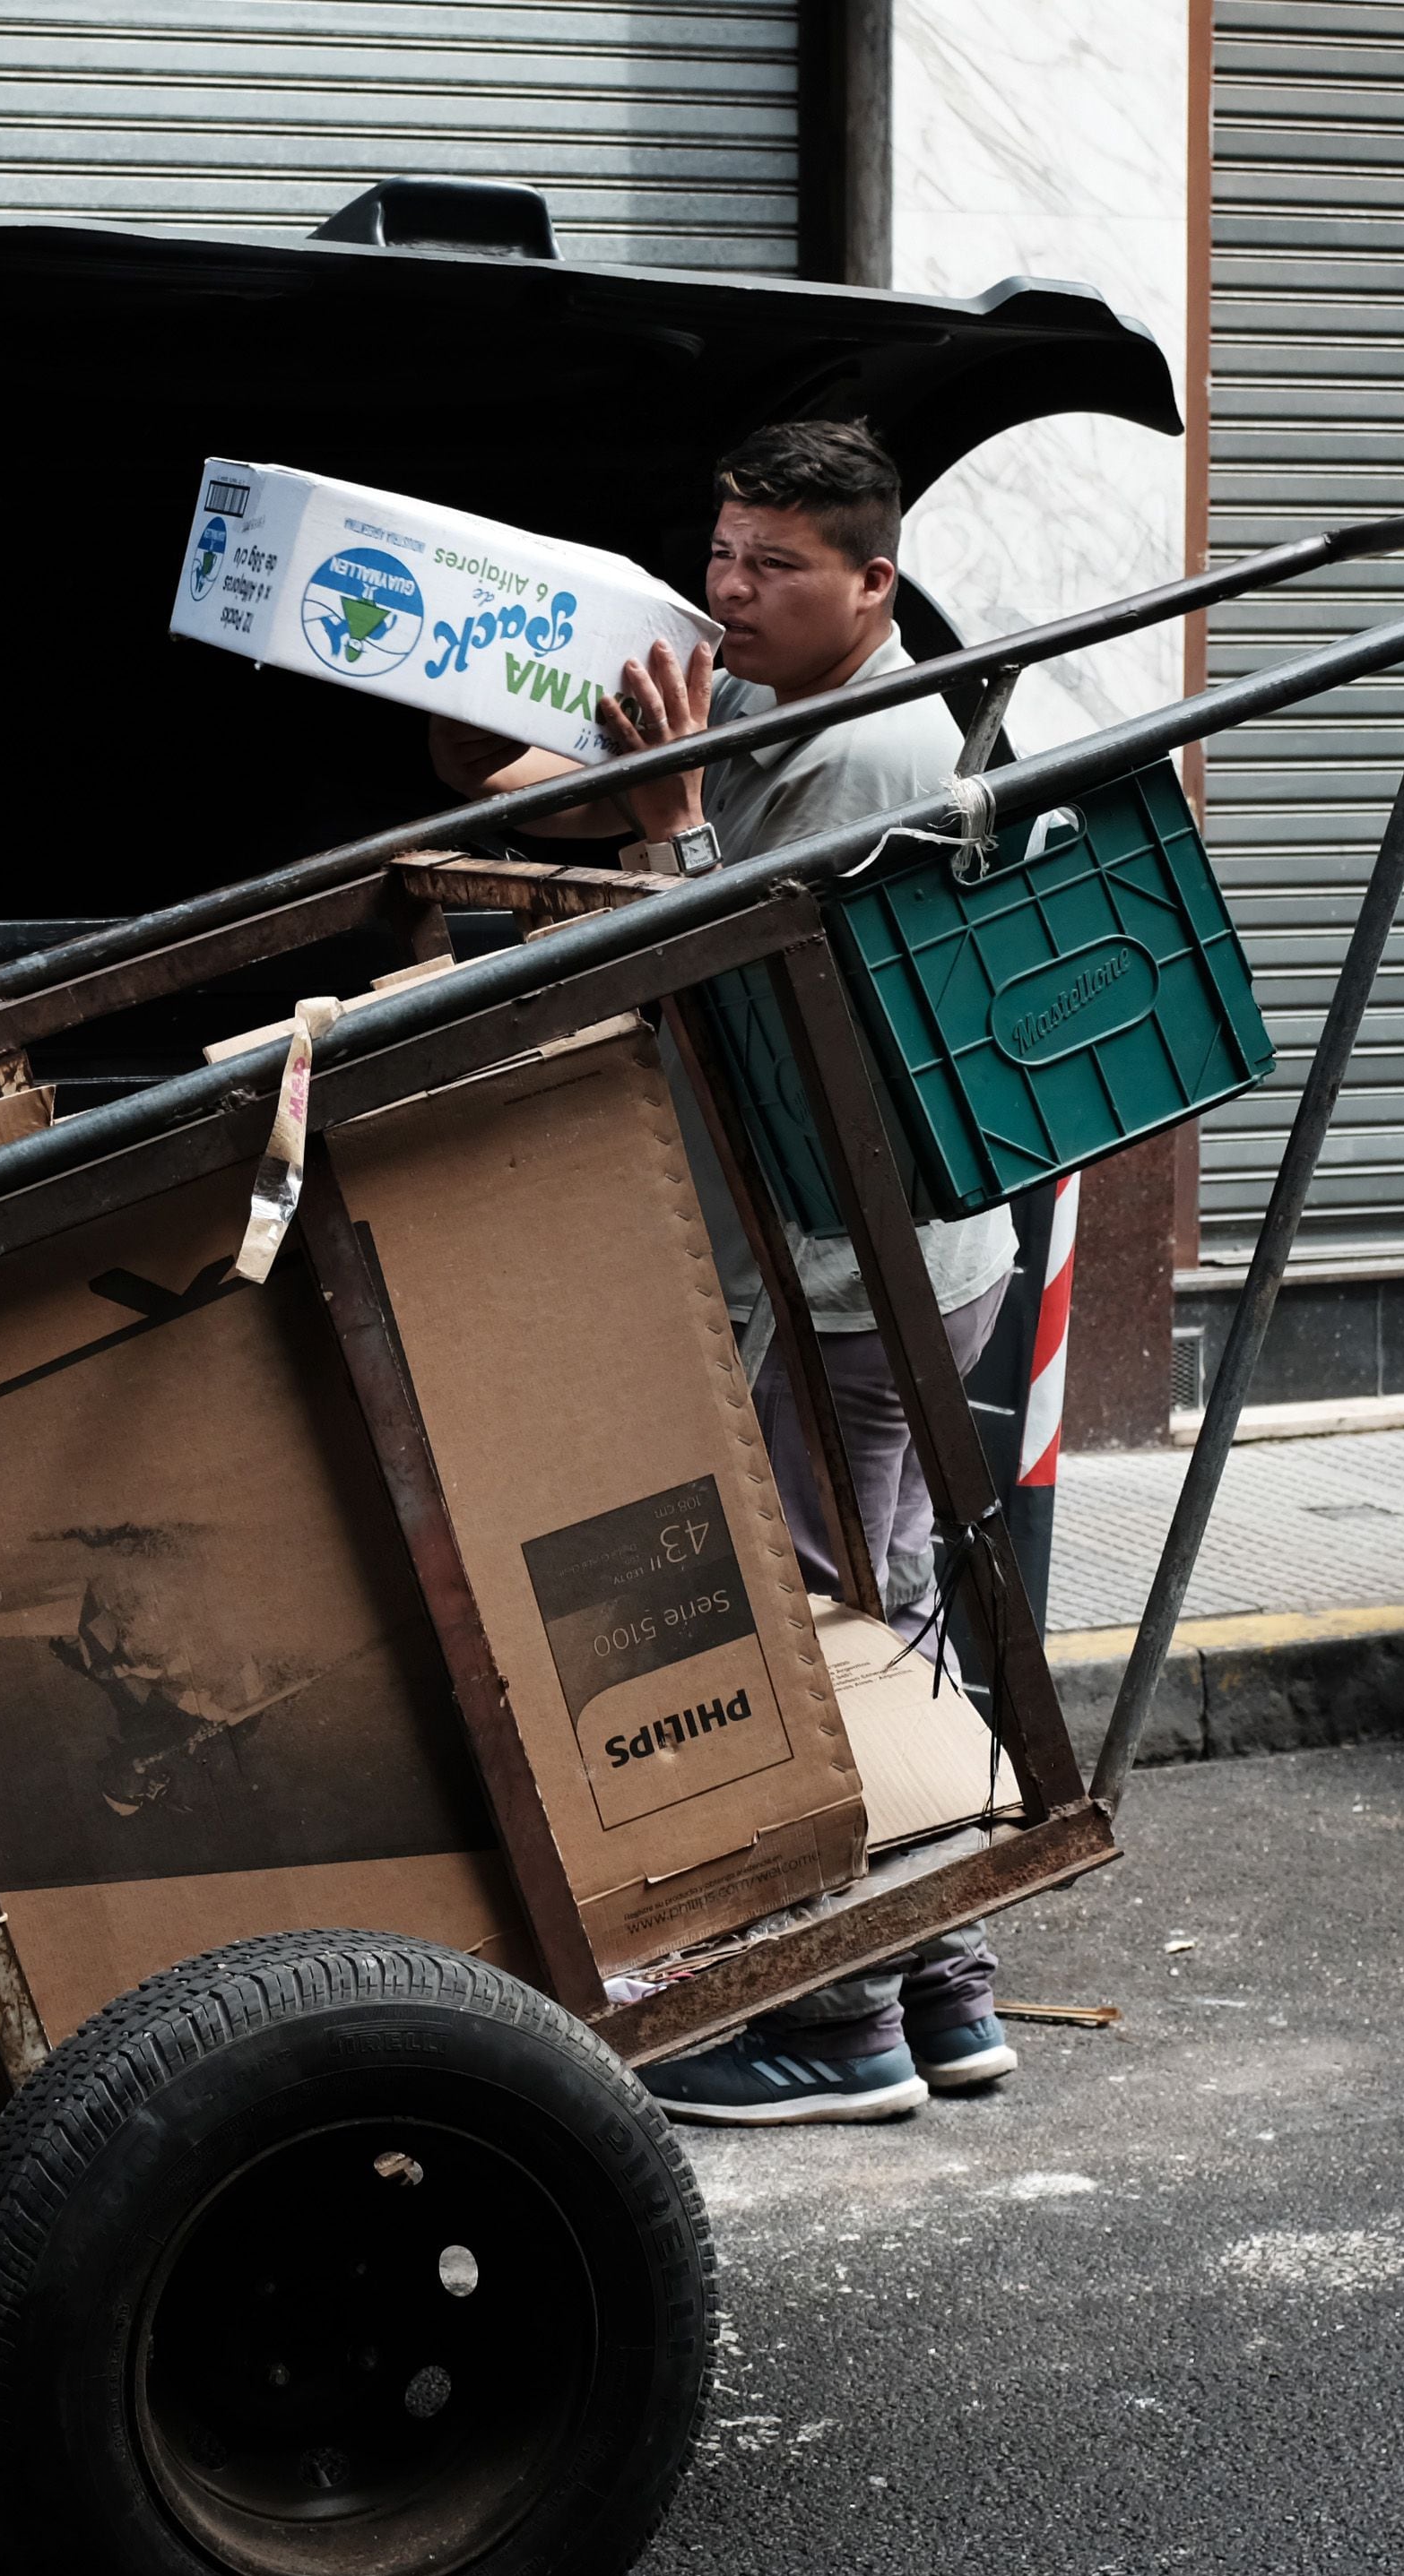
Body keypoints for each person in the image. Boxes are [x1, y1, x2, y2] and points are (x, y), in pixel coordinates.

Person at [431, 419, 1023, 2125]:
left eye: (775, 565)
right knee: (889, 1596)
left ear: (872, 583)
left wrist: (676, 818)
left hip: (846, 1268)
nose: (732, 591)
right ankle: (942, 1978)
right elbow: (561, 797)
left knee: (818, 1622)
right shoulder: (783, 701)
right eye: (721, 554)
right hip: (882, 1251)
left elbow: (749, 999)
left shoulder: (869, 754)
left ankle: (831, 2019)